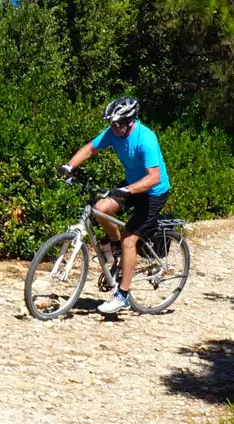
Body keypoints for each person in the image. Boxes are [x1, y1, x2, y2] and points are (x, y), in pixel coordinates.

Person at [58, 97, 170, 314]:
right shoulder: (113, 133)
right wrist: (69, 166)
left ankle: (123, 296)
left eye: (117, 123)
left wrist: (127, 190)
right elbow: (91, 148)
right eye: (111, 123)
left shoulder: (146, 139)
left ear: (130, 121)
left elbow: (154, 177)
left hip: (153, 193)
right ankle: (116, 247)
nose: (113, 127)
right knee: (101, 208)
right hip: (131, 185)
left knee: (130, 238)